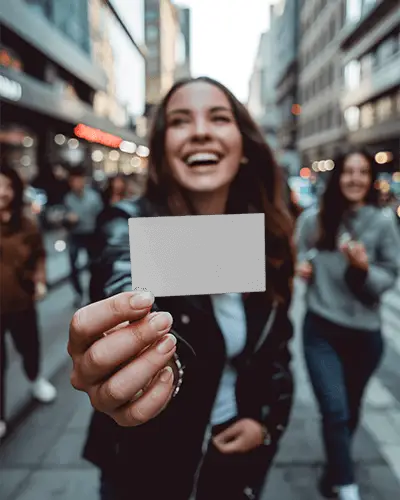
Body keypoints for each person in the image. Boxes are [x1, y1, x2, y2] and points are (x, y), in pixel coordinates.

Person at [67, 77, 296, 500]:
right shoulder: (128, 222)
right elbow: (123, 268)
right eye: (179, 120)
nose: (200, 130)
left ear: (244, 145)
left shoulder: (267, 238)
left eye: (219, 117)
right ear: (163, 148)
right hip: (144, 469)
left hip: (234, 462)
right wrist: (131, 357)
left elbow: (279, 352)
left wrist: (265, 423)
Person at [295, 149, 400, 500]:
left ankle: (334, 471)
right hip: (321, 329)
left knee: (348, 413)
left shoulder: (383, 222)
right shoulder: (315, 219)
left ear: (370, 179)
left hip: (365, 336)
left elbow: (390, 276)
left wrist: (365, 269)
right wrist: (302, 266)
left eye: (362, 172)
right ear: (337, 177)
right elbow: (296, 254)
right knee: (335, 410)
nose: (354, 178)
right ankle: (347, 486)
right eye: (348, 171)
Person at [0, 163, 57, 440]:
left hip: (21, 301)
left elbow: (39, 254)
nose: (2, 192)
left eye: (7, 186)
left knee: (29, 346)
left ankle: (35, 380)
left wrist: (40, 280)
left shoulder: (25, 222)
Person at [63, 167, 103, 308]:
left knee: (93, 265)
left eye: (80, 180)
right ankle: (79, 294)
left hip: (91, 235)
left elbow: (101, 217)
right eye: (74, 181)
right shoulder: (68, 199)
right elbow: (63, 218)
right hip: (75, 235)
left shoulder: (93, 197)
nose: (77, 183)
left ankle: (93, 293)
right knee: (73, 266)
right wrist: (67, 219)